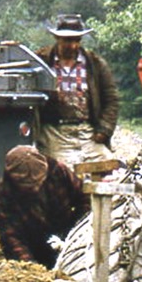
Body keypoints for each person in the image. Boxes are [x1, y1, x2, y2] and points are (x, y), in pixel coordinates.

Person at [34, 14, 120, 167]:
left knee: (110, 168)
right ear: (57, 38)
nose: (73, 45)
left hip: (86, 132)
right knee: (64, 173)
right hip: (54, 132)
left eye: (76, 40)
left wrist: (104, 130)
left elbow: (111, 99)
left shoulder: (95, 63)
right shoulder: (41, 61)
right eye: (67, 40)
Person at [0, 145, 90, 268]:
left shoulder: (58, 171)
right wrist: (31, 268)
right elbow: (12, 239)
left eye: (39, 182)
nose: (36, 188)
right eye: (29, 186)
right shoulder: (3, 196)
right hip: (34, 246)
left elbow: (85, 199)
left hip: (67, 235)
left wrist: (74, 233)